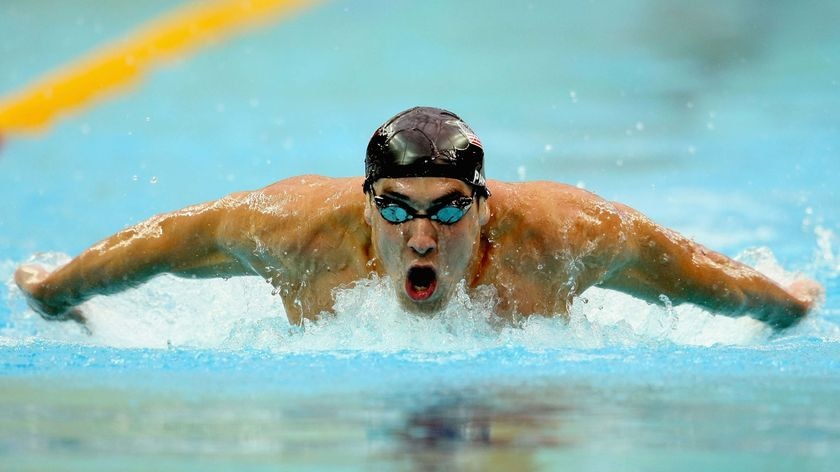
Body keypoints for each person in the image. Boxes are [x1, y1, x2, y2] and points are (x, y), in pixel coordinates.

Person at [14, 106, 822, 329]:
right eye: (397, 209)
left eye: (448, 211)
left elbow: (685, 267)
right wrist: (59, 289)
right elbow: (166, 240)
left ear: (484, 204)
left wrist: (777, 305)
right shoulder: (295, 229)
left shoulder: (560, 236)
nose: (423, 236)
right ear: (367, 208)